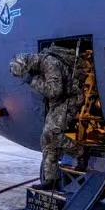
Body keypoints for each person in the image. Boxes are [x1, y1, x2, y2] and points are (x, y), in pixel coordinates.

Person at [10, 45, 86, 190]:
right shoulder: (41, 65)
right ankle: (51, 179)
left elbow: (55, 92)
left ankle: (80, 151)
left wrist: (32, 80)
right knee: (46, 139)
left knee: (53, 134)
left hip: (69, 101)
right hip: (58, 103)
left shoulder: (50, 63)